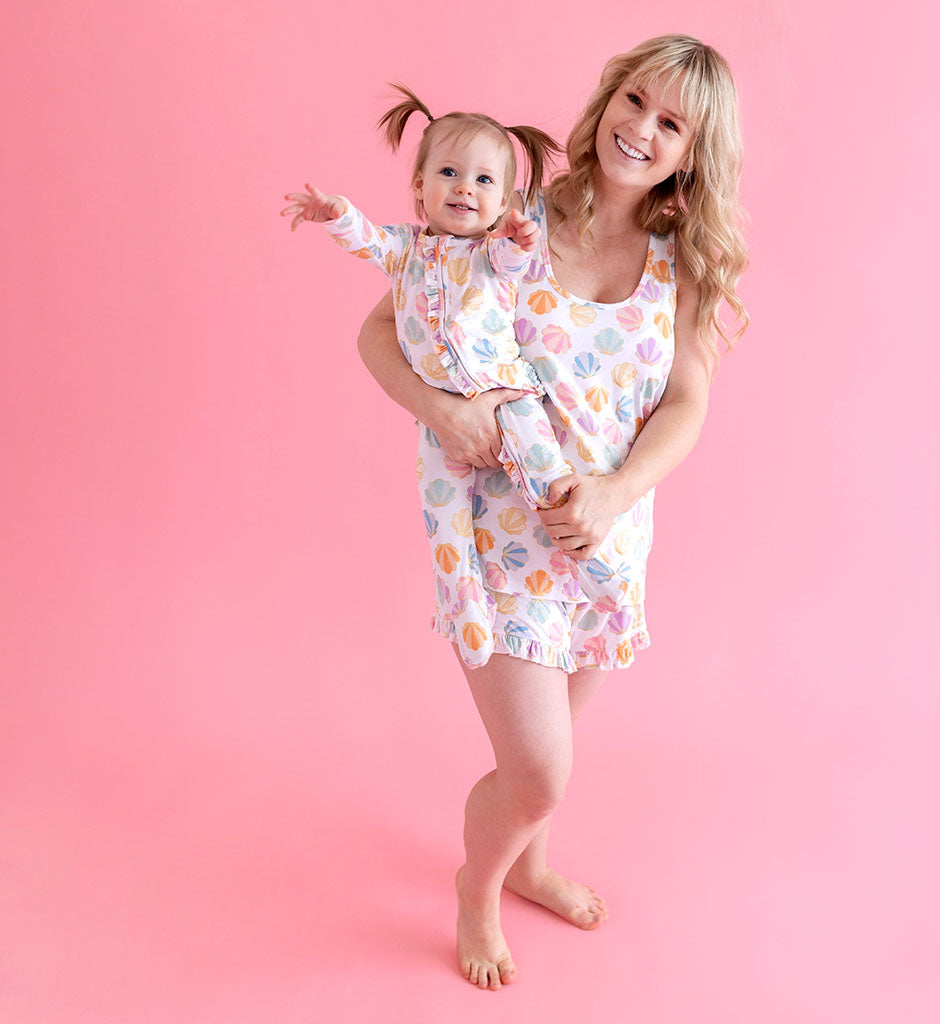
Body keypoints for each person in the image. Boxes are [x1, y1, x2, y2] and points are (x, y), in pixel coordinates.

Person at [357, 35, 748, 990]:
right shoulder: (506, 215)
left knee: (554, 757)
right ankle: (478, 888)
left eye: (671, 123)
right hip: (501, 544)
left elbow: (686, 404)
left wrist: (616, 493)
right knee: (539, 771)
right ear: (608, 99)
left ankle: (528, 866)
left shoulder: (682, 263)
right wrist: (444, 411)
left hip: (604, 542)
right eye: (635, 101)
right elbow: (379, 331)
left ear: (693, 152)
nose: (641, 129)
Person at [283, 89, 631, 614]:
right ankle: (462, 605)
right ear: (419, 185)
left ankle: (595, 568)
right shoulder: (407, 249)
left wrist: (518, 238)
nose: (465, 188)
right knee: (443, 515)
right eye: (449, 173)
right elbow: (370, 241)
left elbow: (513, 263)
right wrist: (337, 215)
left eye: (484, 180)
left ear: (504, 201)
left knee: (549, 480)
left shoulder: (490, 253)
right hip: (442, 415)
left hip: (509, 397)